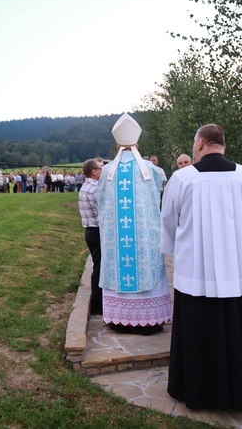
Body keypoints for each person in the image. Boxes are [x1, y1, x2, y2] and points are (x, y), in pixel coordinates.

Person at [160, 123, 242, 412]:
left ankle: (200, 392)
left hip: (197, 270)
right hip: (241, 270)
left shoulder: (183, 178)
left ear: (199, 143)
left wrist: (180, 247)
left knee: (200, 331)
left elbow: (168, 222)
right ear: (222, 144)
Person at [97, 113, 172, 335]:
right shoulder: (153, 170)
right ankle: (150, 321)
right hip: (144, 238)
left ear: (117, 144)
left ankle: (119, 320)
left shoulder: (107, 171)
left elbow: (100, 202)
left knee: (119, 269)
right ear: (137, 143)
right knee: (147, 269)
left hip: (116, 239)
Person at [78, 158, 103, 315]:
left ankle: (98, 302)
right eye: (100, 168)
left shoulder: (86, 187)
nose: (102, 171)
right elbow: (103, 212)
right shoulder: (94, 189)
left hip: (90, 230)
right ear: (94, 171)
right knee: (100, 268)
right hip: (97, 230)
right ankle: (97, 305)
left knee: (97, 266)